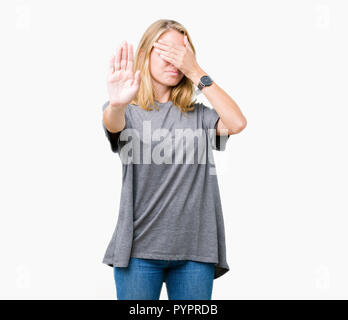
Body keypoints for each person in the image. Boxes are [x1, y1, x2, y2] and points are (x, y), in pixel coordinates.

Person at [101, 19, 247, 300]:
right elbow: (112, 121)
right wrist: (118, 104)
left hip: (196, 250)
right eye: (165, 52)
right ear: (145, 54)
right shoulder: (126, 111)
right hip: (138, 252)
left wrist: (196, 71)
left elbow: (237, 122)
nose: (174, 61)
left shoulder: (200, 115)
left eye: (181, 54)